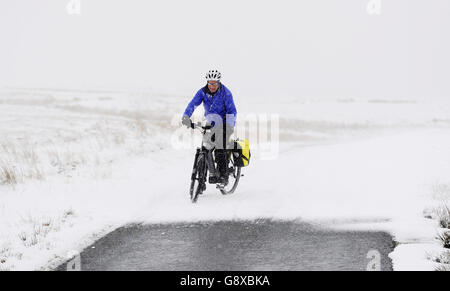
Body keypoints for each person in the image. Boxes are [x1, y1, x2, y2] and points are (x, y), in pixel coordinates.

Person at [182, 69, 237, 185]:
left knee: (219, 148)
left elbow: (232, 111)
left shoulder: (225, 93)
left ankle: (223, 176)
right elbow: (193, 104)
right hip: (210, 123)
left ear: (219, 82)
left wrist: (229, 127)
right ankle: (203, 179)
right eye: (210, 83)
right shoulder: (202, 92)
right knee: (206, 148)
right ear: (207, 82)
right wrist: (186, 116)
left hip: (225, 123)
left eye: (215, 83)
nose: (212, 86)